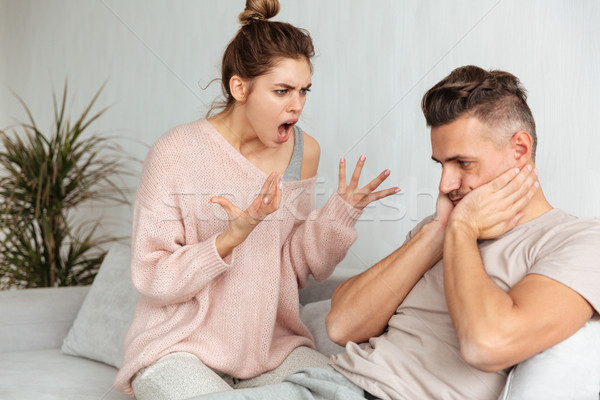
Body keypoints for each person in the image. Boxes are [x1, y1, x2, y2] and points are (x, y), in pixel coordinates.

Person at [192, 65, 600, 400]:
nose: (445, 183)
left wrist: (461, 232)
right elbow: (342, 325)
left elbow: (487, 345)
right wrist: (438, 233)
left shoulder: (576, 241)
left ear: (520, 149)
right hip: (330, 383)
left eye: (463, 163)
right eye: (441, 163)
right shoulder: (440, 228)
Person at [113, 0, 398, 398]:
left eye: (303, 91)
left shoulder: (303, 152)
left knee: (350, 393)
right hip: (178, 347)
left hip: (271, 348)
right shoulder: (176, 153)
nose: (296, 105)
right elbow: (153, 276)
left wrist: (339, 215)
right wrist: (231, 237)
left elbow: (297, 267)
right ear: (239, 87)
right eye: (281, 91)